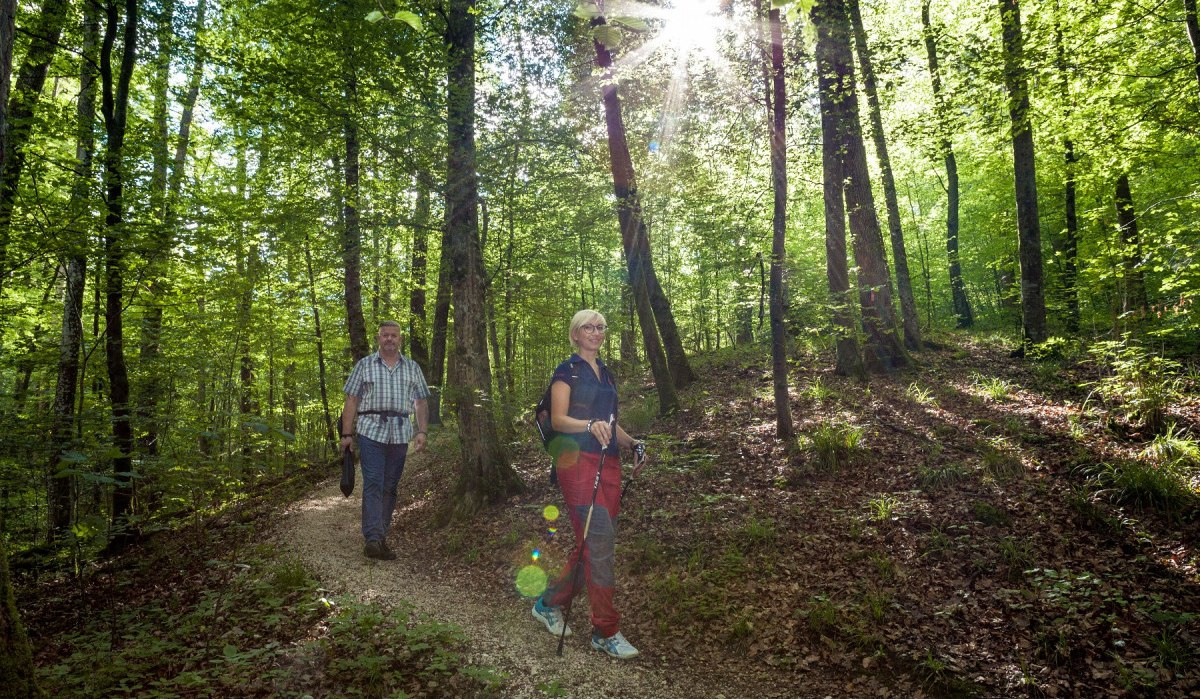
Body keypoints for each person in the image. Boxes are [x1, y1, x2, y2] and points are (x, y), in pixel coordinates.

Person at [531, 309, 646, 659]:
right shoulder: (566, 371)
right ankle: (605, 630)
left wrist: (633, 444)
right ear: (575, 334)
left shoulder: (606, 374)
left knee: (591, 544)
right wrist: (589, 424)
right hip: (577, 463)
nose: (596, 332)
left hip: (609, 464)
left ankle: (548, 603)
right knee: (600, 542)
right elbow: (561, 419)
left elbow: (610, 424)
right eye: (588, 327)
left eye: (600, 327)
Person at [340, 321, 430, 561]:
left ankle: (380, 537)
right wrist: (347, 435)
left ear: (400, 339)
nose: (390, 339)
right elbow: (351, 401)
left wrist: (422, 431)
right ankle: (372, 538)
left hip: (400, 434)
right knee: (373, 483)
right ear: (378, 338)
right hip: (371, 432)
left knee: (390, 486)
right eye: (385, 335)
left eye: (394, 335)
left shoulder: (412, 368)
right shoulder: (364, 365)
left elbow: (421, 402)